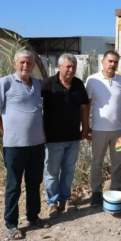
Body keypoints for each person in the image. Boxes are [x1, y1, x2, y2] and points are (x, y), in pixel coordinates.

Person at [0, 50, 51, 240]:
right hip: (14, 146)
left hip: (37, 145)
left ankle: (33, 217)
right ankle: (11, 224)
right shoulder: (5, 83)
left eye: (29, 63)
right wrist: (6, 132)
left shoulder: (38, 85)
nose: (26, 66)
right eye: (22, 62)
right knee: (13, 186)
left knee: (34, 183)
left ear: (33, 65)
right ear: (15, 63)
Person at [41, 53, 89, 217]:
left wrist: (85, 128)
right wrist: (41, 132)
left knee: (69, 170)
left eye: (73, 67)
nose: (71, 70)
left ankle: (66, 198)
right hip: (53, 138)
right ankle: (52, 203)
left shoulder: (78, 84)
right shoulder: (47, 84)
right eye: (68, 66)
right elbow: (37, 110)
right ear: (59, 67)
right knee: (52, 173)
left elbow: (84, 107)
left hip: (73, 137)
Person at [85, 50, 121, 206]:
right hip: (99, 129)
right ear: (102, 62)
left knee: (117, 162)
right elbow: (86, 105)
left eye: (115, 62)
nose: (113, 64)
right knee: (97, 162)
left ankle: (116, 190)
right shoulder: (92, 80)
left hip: (119, 130)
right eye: (110, 61)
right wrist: (85, 127)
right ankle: (96, 193)